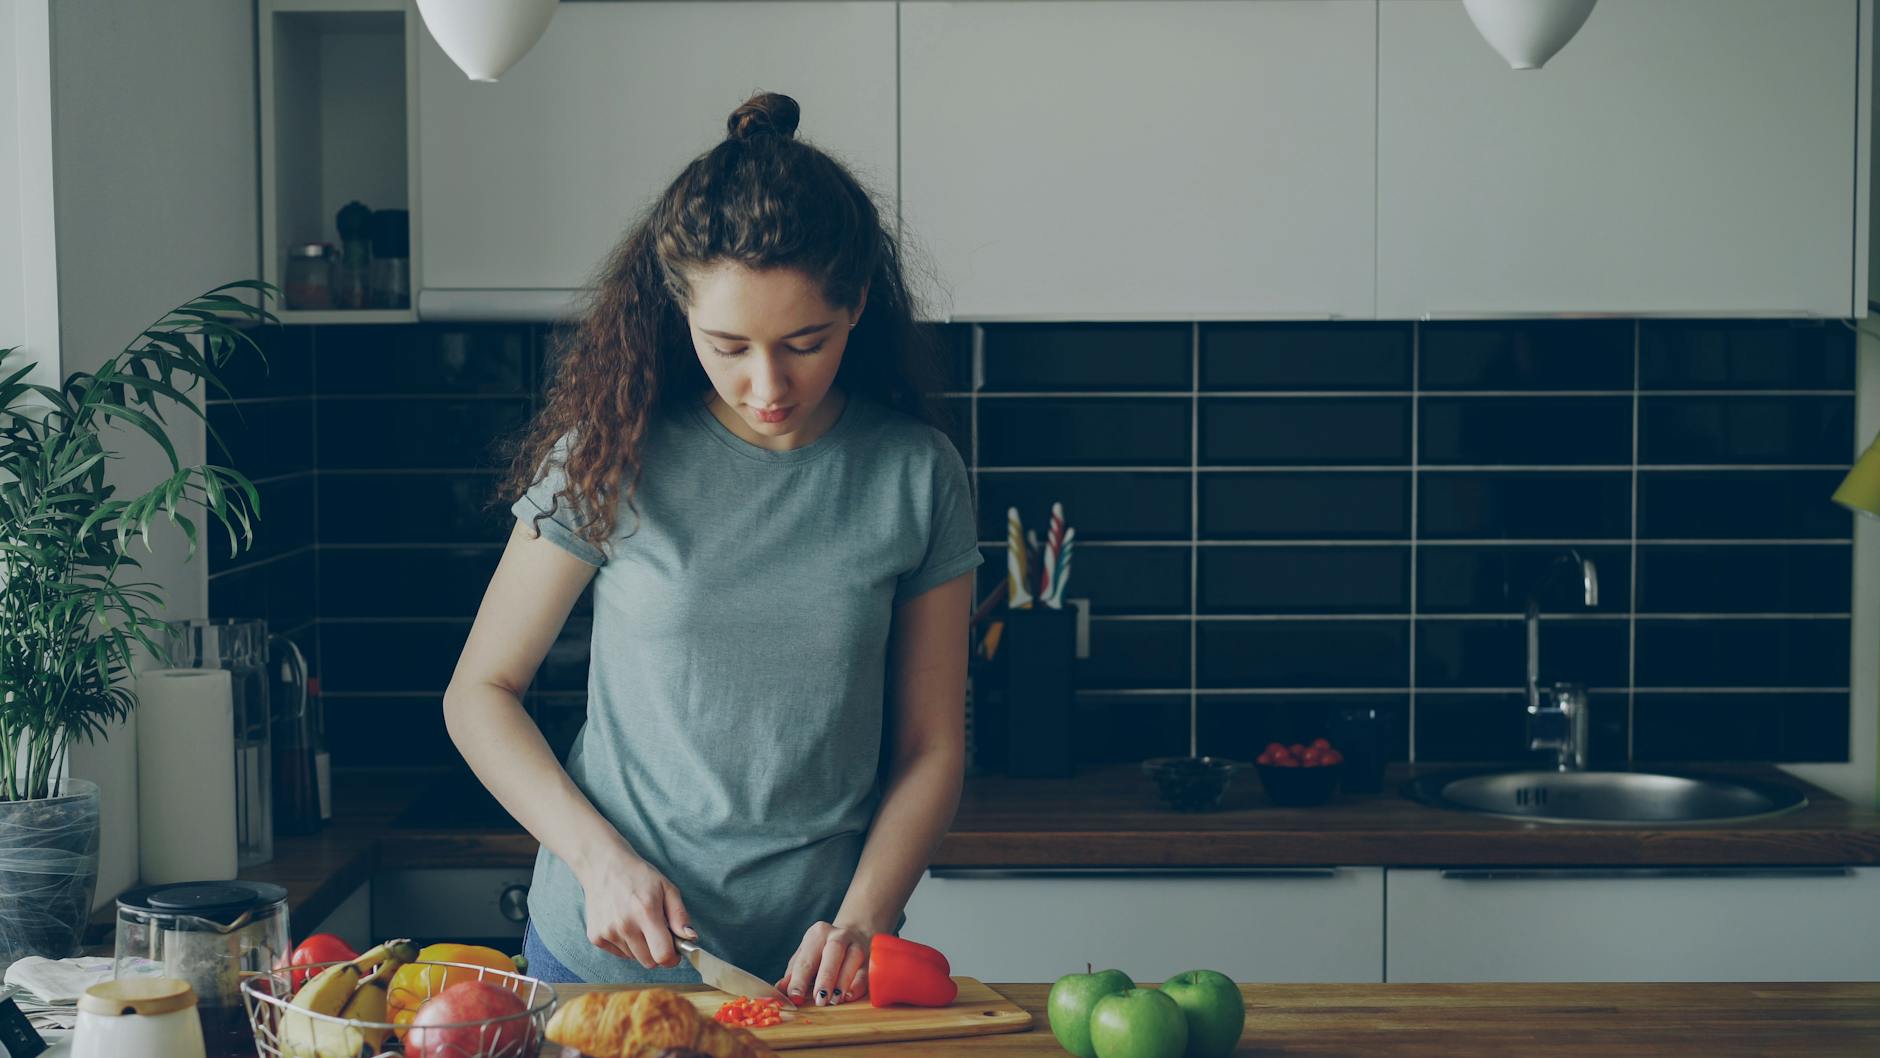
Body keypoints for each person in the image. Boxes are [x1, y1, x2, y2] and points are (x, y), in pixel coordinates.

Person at [441, 91, 981, 1008]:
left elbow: (932, 745)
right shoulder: (612, 452)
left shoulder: (914, 474)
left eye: (804, 343)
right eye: (726, 345)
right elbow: (478, 694)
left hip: (819, 976)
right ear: (677, 311)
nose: (766, 385)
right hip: (602, 963)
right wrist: (598, 862)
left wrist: (865, 918)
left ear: (855, 306)